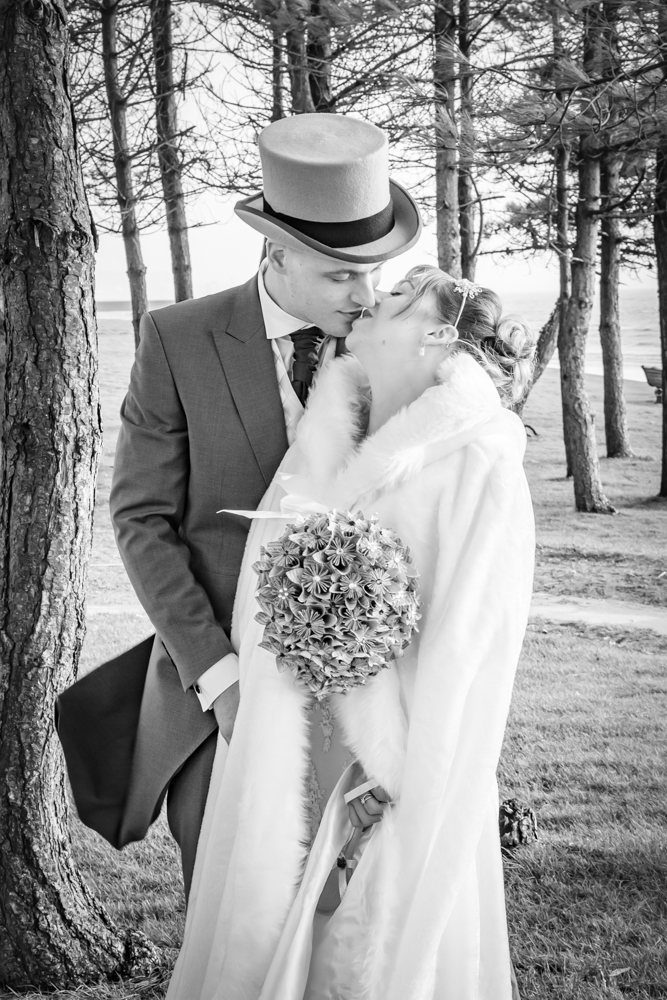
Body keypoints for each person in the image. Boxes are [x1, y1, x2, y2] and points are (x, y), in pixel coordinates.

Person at [165, 265, 536, 999]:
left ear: (436, 332)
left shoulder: (479, 455)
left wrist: (400, 772)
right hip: (286, 735)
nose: (371, 298)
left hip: (386, 753)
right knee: (263, 925)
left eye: (397, 296)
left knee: (354, 950)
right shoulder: (327, 430)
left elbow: (472, 640)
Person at [93, 113, 421, 895]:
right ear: (277, 254)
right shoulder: (177, 338)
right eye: (342, 273)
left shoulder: (393, 349)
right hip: (222, 699)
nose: (365, 293)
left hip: (371, 695)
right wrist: (221, 680)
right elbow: (141, 520)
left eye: (373, 270)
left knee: (359, 917)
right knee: (237, 909)